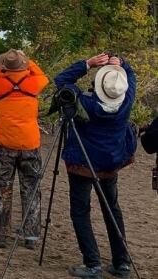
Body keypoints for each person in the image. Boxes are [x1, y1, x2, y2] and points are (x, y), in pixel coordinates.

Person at [55, 53, 137, 279]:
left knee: (80, 212)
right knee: (112, 209)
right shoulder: (127, 100)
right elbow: (131, 77)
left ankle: (92, 264)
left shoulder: (85, 102)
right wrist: (122, 64)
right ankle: (121, 263)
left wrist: (88, 64)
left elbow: (61, 81)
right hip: (110, 163)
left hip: (82, 163)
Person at [0, 49, 49, 250]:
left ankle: (0, 235)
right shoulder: (34, 83)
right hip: (30, 145)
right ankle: (31, 236)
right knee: (32, 189)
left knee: (2, 190)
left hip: (6, 146)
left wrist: (1, 69)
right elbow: (43, 76)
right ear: (24, 65)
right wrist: (28, 61)